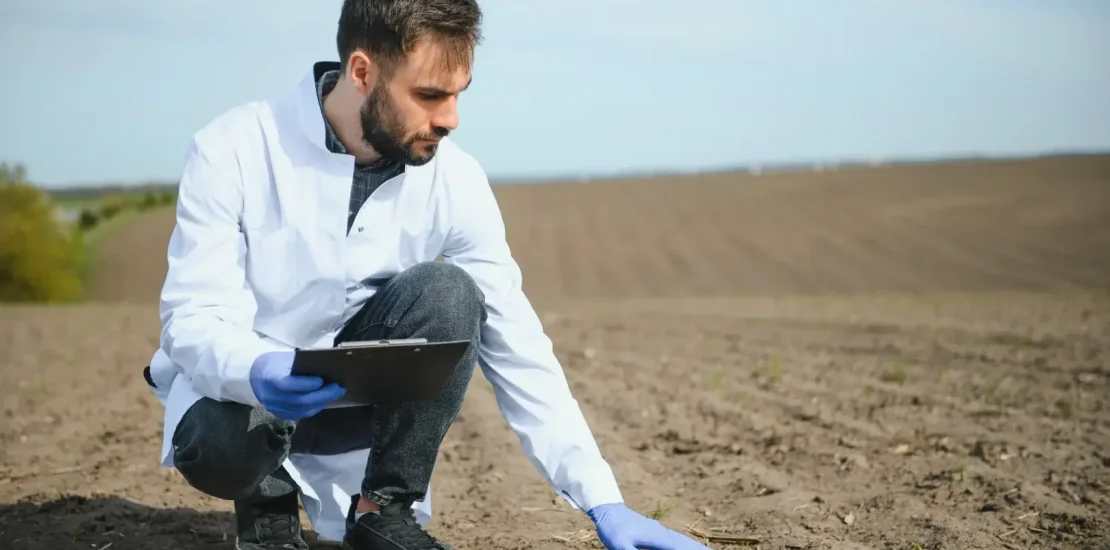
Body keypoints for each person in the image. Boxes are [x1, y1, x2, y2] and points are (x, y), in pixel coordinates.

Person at [143, 1, 713, 549]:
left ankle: (383, 510)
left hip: (353, 408)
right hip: (243, 406)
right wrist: (254, 369)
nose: (450, 119)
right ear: (363, 71)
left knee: (450, 294)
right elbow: (193, 317)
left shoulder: (457, 180)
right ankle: (266, 507)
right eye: (430, 95)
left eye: (459, 95)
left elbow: (516, 342)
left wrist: (601, 499)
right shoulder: (233, 149)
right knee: (220, 441)